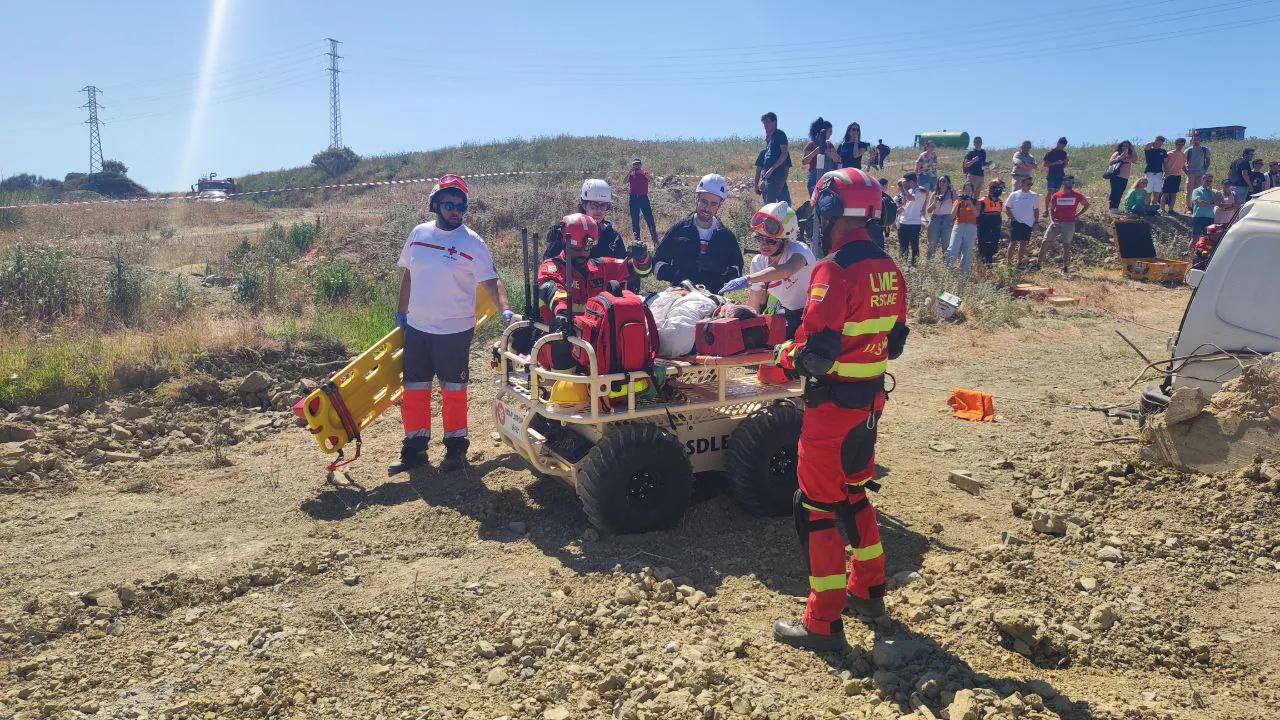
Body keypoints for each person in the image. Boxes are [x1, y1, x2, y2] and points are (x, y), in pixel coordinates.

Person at [771, 167, 909, 651]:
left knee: (816, 509)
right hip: (868, 408)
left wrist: (784, 354)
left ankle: (823, 622)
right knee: (855, 496)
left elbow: (816, 352)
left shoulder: (833, 269)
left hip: (830, 413)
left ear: (829, 213)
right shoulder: (890, 269)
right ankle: (869, 593)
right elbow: (895, 341)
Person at [393, 174, 512, 474]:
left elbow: (491, 281)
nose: (455, 210)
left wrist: (507, 311)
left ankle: (456, 449)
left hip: (454, 332)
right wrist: (401, 313)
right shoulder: (418, 234)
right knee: (415, 389)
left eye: (460, 205)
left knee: (454, 391)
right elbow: (409, 274)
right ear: (435, 205)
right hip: (417, 329)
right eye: (449, 204)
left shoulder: (472, 242)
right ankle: (415, 450)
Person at [536, 213, 652, 371]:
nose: (584, 253)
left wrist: (642, 257)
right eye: (577, 248)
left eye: (588, 248)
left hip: (594, 341)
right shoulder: (551, 267)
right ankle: (562, 390)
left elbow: (637, 269)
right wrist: (563, 313)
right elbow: (551, 290)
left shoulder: (599, 267)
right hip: (561, 341)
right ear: (565, 243)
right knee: (562, 334)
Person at [720, 201, 816, 339]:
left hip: (812, 314)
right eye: (759, 238)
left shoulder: (799, 251)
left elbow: (787, 269)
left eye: (771, 241)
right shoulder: (758, 262)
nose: (764, 244)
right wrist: (746, 322)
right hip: (791, 314)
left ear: (785, 240)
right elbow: (755, 299)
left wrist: (748, 279)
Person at [653, 173, 744, 293]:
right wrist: (677, 276)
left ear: (720, 204)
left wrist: (720, 273)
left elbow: (737, 269)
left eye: (713, 204)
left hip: (713, 298)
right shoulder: (678, 230)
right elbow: (657, 263)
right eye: (704, 201)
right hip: (680, 295)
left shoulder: (726, 237)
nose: (707, 208)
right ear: (697, 198)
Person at [1039, 175, 1089, 275]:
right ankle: (1038, 265)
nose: (1071, 184)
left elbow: (1087, 205)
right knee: (1045, 242)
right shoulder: (1056, 195)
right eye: (1069, 182)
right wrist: (1052, 220)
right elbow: (1051, 209)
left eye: (1072, 182)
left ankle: (1065, 267)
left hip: (1069, 223)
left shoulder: (1077, 195)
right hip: (1056, 222)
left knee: (1066, 245)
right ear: (1064, 182)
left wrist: (1076, 215)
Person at [1003, 176, 1039, 269]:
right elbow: (1007, 208)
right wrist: (1012, 218)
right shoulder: (1014, 194)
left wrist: (1036, 222)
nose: (1030, 186)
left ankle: (1019, 263)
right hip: (1016, 222)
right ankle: (1009, 263)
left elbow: (1036, 210)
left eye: (1031, 184)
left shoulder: (1034, 195)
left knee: (1023, 243)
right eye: (1028, 184)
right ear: (1022, 184)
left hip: (1028, 223)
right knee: (1013, 242)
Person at [757, 112, 792, 203]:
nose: (765, 125)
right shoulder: (769, 142)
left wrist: (772, 169)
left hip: (776, 178)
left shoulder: (779, 134)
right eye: (764, 123)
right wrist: (762, 180)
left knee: (783, 205)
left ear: (774, 122)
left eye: (767, 122)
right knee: (769, 206)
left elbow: (784, 154)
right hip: (768, 179)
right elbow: (761, 167)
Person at [945, 183, 980, 273]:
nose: (967, 192)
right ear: (963, 191)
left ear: (972, 192)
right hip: (959, 225)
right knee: (953, 248)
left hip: (971, 227)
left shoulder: (977, 202)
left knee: (967, 251)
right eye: (966, 190)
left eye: (969, 191)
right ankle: (947, 270)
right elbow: (952, 216)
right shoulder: (958, 201)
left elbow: (977, 214)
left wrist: (970, 203)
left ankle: (964, 272)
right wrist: (958, 203)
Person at [896, 173, 926, 266]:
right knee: (903, 245)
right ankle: (902, 265)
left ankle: (914, 265)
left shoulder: (921, 190)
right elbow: (905, 202)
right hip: (903, 221)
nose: (905, 184)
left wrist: (904, 188)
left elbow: (910, 198)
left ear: (911, 181)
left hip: (914, 223)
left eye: (906, 182)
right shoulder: (909, 190)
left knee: (914, 246)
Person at [924, 175, 956, 262]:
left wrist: (952, 218)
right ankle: (930, 263)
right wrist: (934, 202)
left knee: (947, 244)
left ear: (948, 183)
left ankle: (946, 264)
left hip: (947, 219)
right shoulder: (934, 194)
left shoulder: (952, 193)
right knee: (932, 243)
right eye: (940, 181)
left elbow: (957, 205)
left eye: (944, 181)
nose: (942, 183)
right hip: (935, 219)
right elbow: (929, 210)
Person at [627, 157, 659, 244]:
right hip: (633, 198)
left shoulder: (645, 173)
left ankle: (655, 240)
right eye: (634, 165)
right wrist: (629, 172)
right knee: (635, 219)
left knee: (649, 219)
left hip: (643, 198)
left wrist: (644, 173)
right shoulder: (631, 174)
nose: (636, 166)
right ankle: (637, 241)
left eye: (637, 164)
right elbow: (624, 181)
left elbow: (652, 180)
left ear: (640, 165)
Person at [803, 118, 839, 194]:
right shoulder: (811, 145)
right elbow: (804, 161)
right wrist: (815, 152)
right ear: (823, 132)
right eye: (830, 131)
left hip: (828, 178)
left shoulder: (829, 145)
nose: (831, 133)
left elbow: (837, 160)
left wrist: (830, 154)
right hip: (814, 178)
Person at [977, 179, 1006, 267]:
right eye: (998, 188)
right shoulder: (983, 200)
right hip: (985, 227)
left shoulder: (1000, 202)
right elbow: (978, 217)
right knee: (984, 246)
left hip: (995, 228)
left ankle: (990, 263)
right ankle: (982, 264)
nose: (1000, 191)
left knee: (993, 246)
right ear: (992, 188)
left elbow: (999, 215)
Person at [1158, 137, 1188, 214]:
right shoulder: (1169, 154)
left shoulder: (1183, 155)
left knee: (1174, 193)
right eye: (1179, 144)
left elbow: (1183, 166)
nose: (1181, 146)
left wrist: (1187, 173)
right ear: (1176, 144)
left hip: (1177, 176)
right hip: (1169, 175)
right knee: (1165, 193)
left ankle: (1171, 210)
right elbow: (1164, 164)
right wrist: (1166, 173)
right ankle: (1162, 209)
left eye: (1183, 144)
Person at [1106, 140, 1137, 215]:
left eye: (1127, 146)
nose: (1125, 147)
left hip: (1125, 177)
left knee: (1120, 192)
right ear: (1120, 146)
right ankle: (1112, 208)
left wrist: (1132, 149)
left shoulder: (1130, 155)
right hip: (1116, 176)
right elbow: (1110, 162)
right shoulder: (1117, 153)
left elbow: (1135, 159)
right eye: (1123, 146)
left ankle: (1115, 208)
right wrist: (1121, 157)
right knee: (1115, 192)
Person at [1183, 133, 1212, 213]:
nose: (1196, 141)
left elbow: (1208, 161)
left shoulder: (1205, 149)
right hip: (1191, 173)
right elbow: (1182, 163)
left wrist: (1204, 171)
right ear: (1192, 140)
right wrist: (1187, 172)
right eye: (1194, 139)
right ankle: (1189, 208)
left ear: (1200, 140)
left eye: (1197, 139)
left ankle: (1195, 207)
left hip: (1200, 173)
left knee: (1197, 191)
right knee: (1189, 191)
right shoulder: (1188, 150)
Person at [866, 177, 895, 250]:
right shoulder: (886, 197)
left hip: (867, 224)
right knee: (879, 249)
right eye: (886, 186)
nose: (887, 188)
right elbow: (888, 217)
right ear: (883, 186)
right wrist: (887, 235)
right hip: (878, 225)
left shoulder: (868, 195)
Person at [1042, 137, 1069, 214]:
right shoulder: (1050, 153)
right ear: (1058, 143)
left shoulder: (1064, 153)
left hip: (1060, 174)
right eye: (1061, 145)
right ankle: (1046, 210)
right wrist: (1055, 163)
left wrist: (1066, 162)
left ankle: (1053, 210)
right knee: (1050, 192)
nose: (1062, 147)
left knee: (1056, 193)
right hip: (1051, 174)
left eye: (1064, 146)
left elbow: (1063, 166)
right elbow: (1045, 164)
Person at [1189, 173, 1215, 250]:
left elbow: (1217, 202)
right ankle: (1189, 254)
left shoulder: (1213, 192)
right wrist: (1211, 205)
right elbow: (1199, 202)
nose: (1208, 182)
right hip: (1198, 217)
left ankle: (1204, 256)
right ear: (1202, 180)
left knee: (1208, 239)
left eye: (1210, 181)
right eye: (1207, 181)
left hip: (1210, 217)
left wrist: (1211, 192)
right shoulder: (1196, 191)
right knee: (1195, 238)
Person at [1141, 136, 1168, 210]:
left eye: (1161, 141)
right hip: (1149, 173)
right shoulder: (1149, 150)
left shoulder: (1163, 151)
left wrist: (1165, 172)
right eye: (1158, 140)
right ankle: (1147, 208)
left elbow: (1165, 162)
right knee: (1148, 192)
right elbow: (1146, 146)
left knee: (1156, 192)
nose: (1160, 142)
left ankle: (1153, 209)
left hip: (1159, 173)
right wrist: (1154, 142)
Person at [963, 137, 988, 204]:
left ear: (982, 143)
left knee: (976, 195)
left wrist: (988, 165)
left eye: (979, 141)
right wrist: (973, 161)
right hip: (972, 176)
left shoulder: (983, 152)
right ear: (974, 143)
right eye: (977, 142)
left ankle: (973, 209)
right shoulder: (971, 152)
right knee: (969, 193)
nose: (978, 143)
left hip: (981, 176)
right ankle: (966, 209)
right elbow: (966, 165)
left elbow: (982, 164)